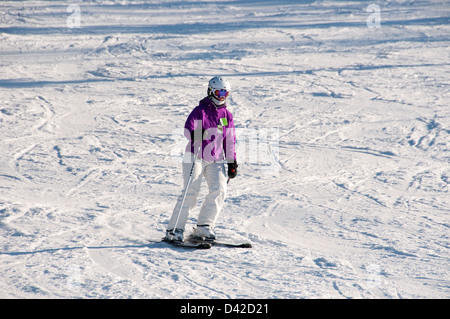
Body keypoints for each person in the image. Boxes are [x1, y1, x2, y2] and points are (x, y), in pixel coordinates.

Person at [165, 76, 238, 243]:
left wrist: (232, 161)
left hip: (216, 159)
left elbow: (230, 139)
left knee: (219, 190)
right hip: (195, 156)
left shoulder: (227, 115)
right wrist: (199, 134)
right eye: (219, 92)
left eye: (225, 93)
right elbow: (187, 130)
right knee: (191, 191)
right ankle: (174, 229)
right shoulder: (200, 110)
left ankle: (204, 227)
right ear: (211, 91)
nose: (222, 97)